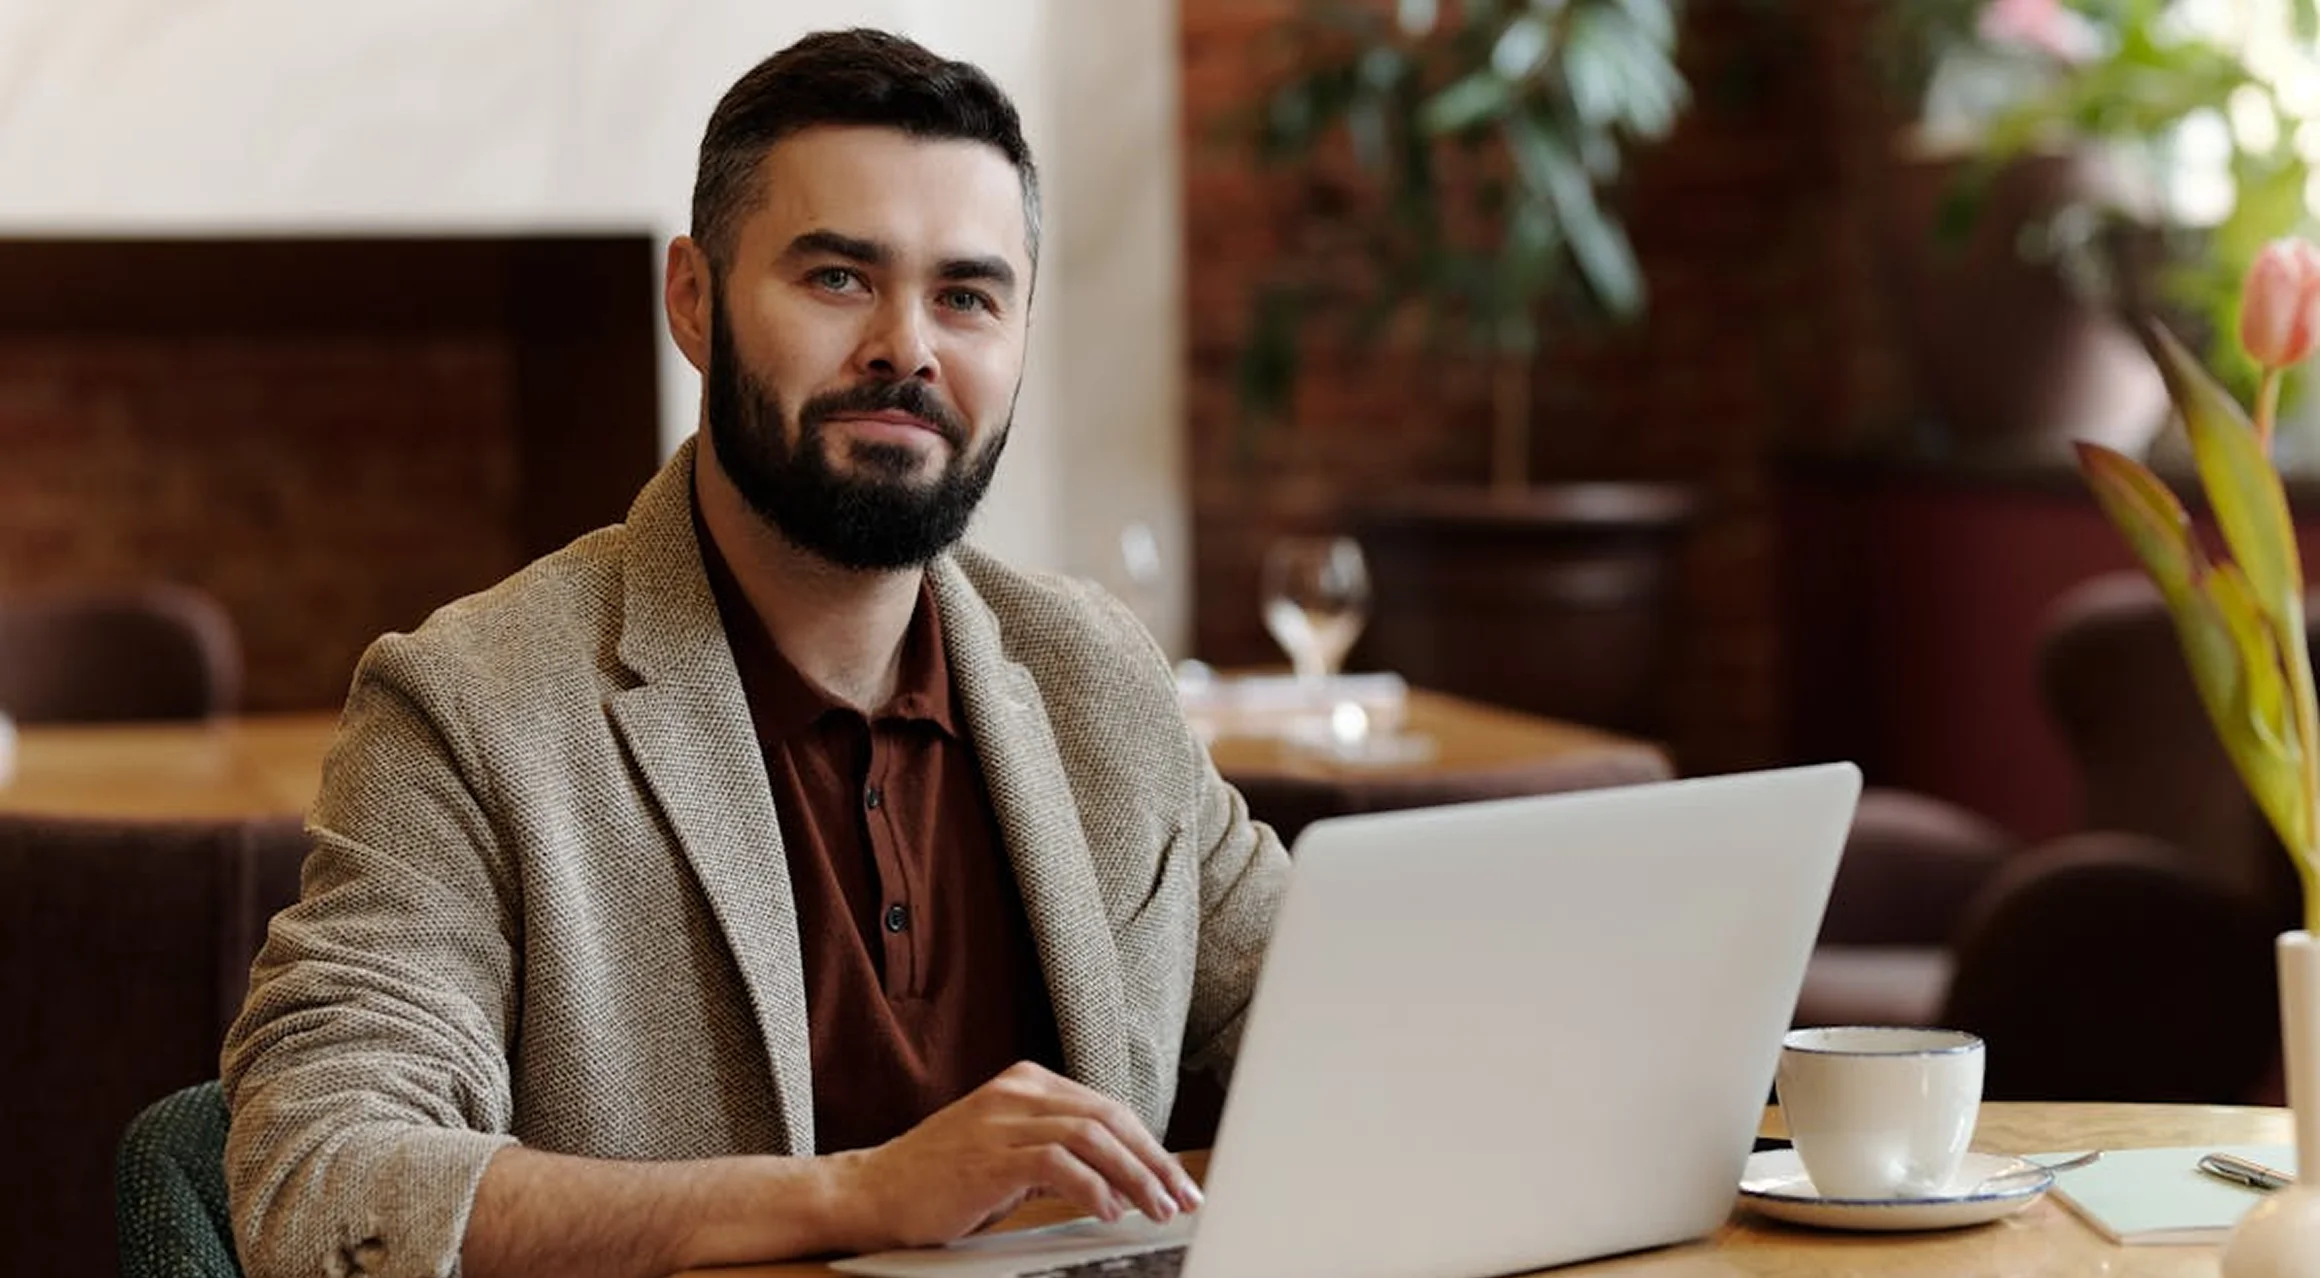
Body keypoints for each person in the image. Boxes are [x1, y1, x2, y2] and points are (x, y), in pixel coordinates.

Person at [220, 28, 1288, 1278]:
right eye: (838, 278)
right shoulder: (471, 707)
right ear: (693, 300)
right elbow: (320, 1176)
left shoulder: (1094, 669)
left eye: (967, 294)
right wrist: (852, 1197)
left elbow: (1345, 1001)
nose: (908, 346)